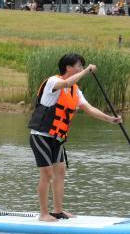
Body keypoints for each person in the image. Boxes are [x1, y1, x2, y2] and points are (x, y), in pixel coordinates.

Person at [28, 54, 122, 222]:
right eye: (79, 65)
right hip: (40, 135)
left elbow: (89, 109)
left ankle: (58, 211)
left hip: (57, 138)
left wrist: (110, 119)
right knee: (47, 174)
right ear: (68, 68)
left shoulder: (75, 90)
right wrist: (86, 71)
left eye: (82, 66)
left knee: (61, 172)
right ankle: (43, 214)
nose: (81, 68)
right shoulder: (53, 81)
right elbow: (66, 83)